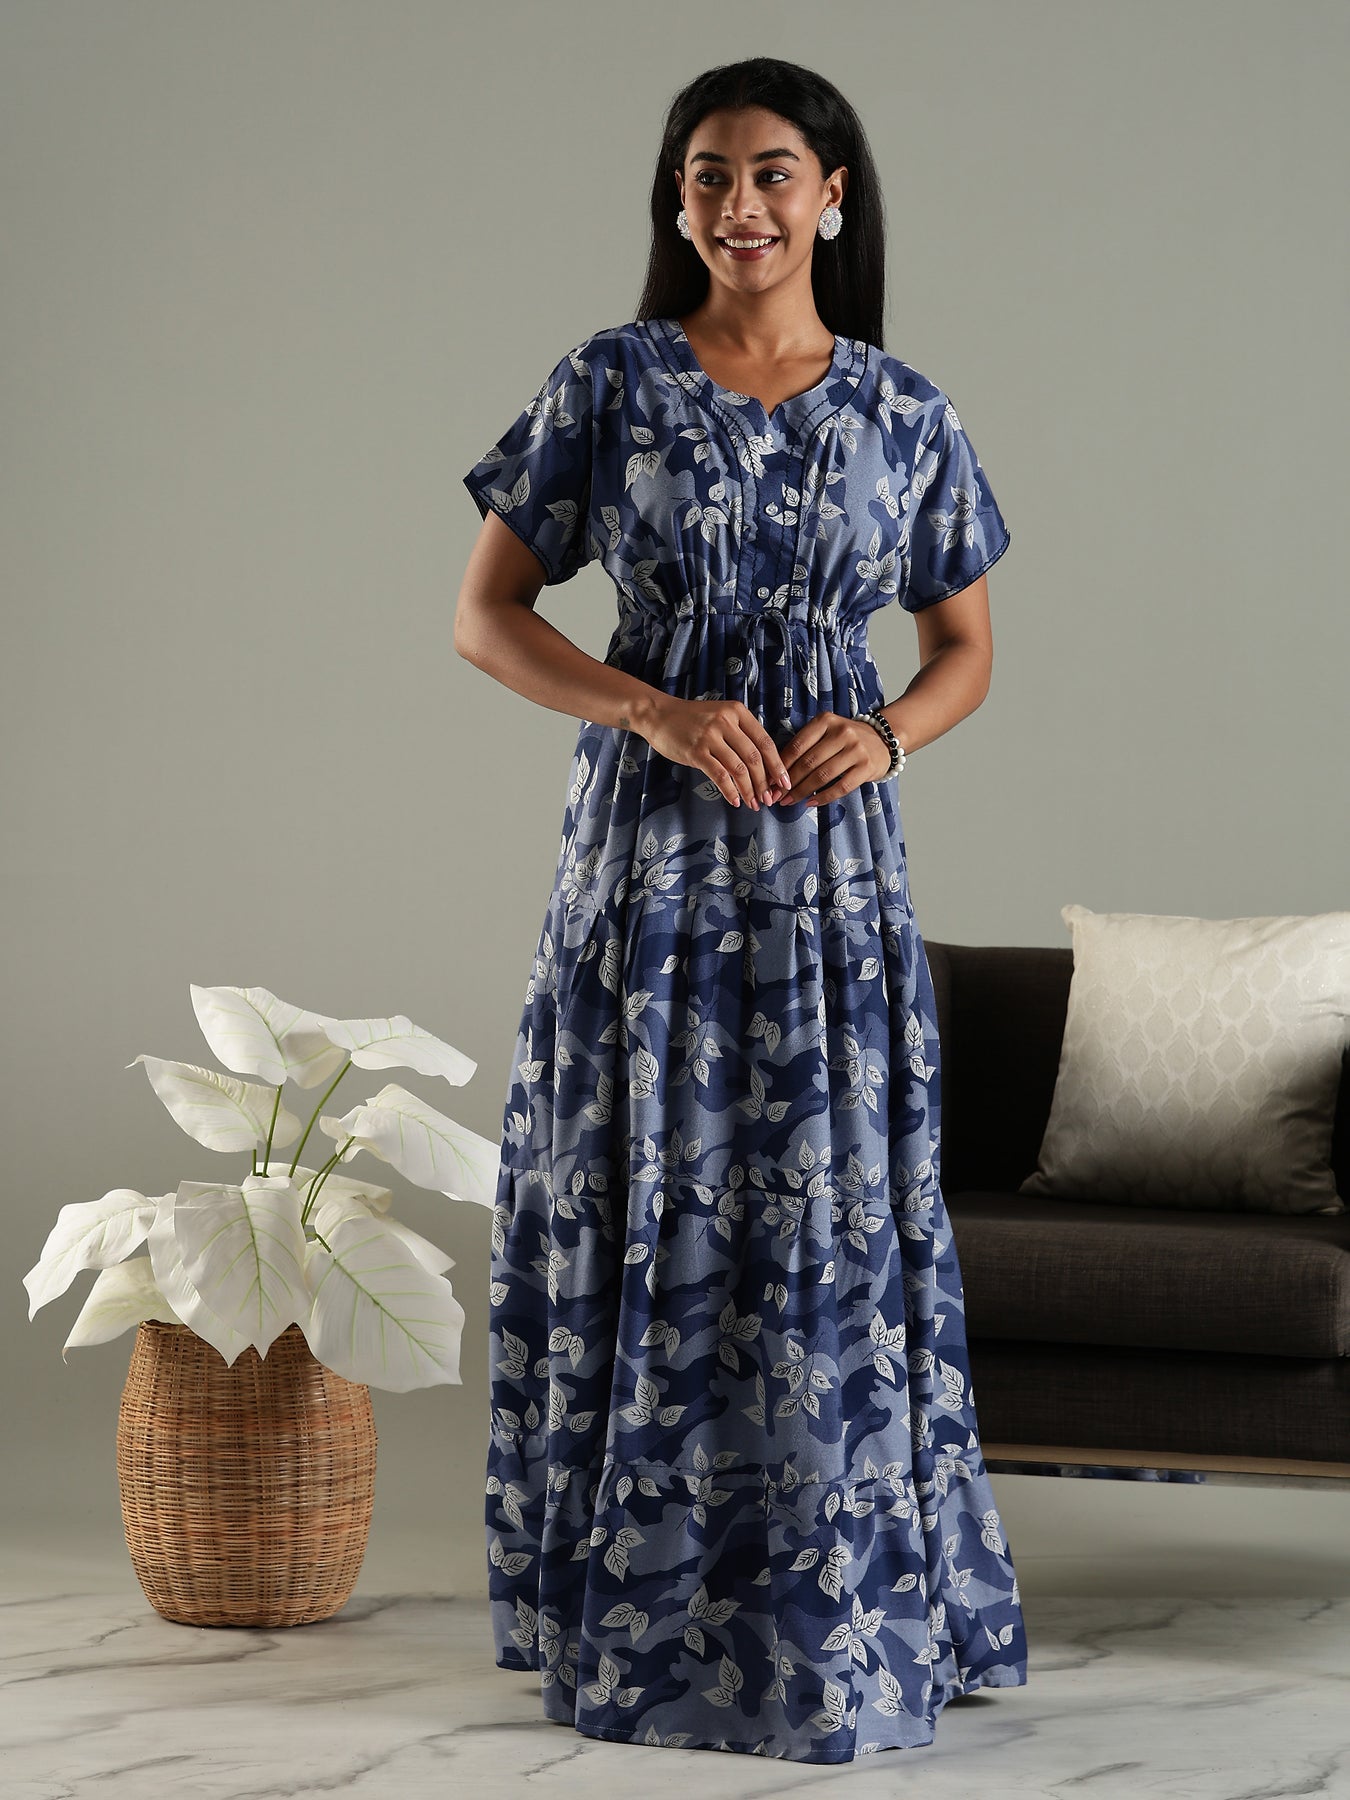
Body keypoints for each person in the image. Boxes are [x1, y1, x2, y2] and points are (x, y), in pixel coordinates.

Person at [455, 55, 1029, 1764]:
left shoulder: (903, 410)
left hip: (829, 876)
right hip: (649, 859)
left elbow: (964, 647)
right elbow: (487, 616)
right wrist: (648, 707)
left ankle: (839, 1605)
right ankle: (634, 1609)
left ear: (831, 198)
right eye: (706, 175)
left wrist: (889, 731)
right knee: (653, 1174)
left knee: (825, 1202)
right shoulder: (611, 380)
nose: (737, 204)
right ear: (678, 201)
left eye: (772, 172)